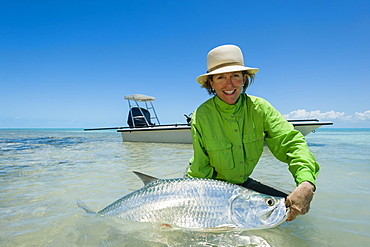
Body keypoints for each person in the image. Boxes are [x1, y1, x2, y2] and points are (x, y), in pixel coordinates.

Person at [187, 44, 319, 221]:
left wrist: (306, 182)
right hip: (209, 188)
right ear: (211, 83)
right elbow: (200, 170)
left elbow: (291, 142)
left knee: (285, 211)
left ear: (244, 78)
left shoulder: (261, 109)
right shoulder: (201, 116)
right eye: (220, 77)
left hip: (241, 186)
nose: (229, 84)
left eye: (235, 75)